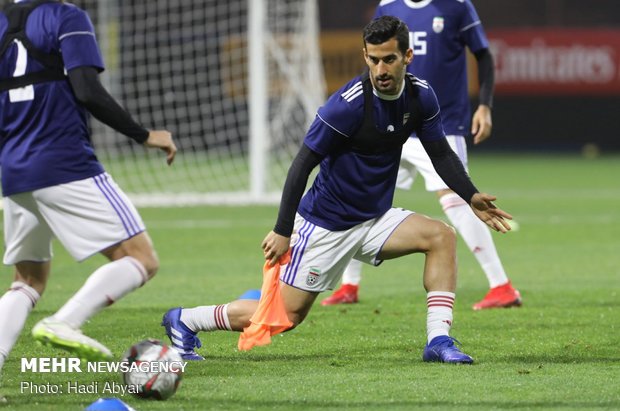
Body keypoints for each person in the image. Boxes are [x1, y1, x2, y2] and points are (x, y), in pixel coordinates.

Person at [162, 16, 512, 364]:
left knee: (441, 237)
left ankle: (438, 340)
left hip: (374, 219)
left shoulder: (421, 96)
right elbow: (301, 164)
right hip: (324, 225)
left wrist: (470, 195)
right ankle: (187, 319)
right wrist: (283, 230)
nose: (380, 69)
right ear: (365, 56)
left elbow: (440, 153)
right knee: (284, 318)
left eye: (388, 59)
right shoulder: (347, 105)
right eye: (373, 59)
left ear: (408, 56)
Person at [0, 0, 177, 387]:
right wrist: (145, 135)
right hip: (64, 161)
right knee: (141, 259)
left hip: (13, 169)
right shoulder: (66, 16)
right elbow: (87, 90)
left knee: (27, 281)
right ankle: (65, 321)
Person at [322, 0, 522, 310]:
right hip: (391, 121)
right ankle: (349, 283)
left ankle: (502, 286)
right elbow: (375, 57)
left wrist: (484, 105)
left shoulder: (456, 6)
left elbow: (482, 54)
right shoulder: (388, 6)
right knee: (359, 192)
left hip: (440, 122)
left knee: (456, 199)